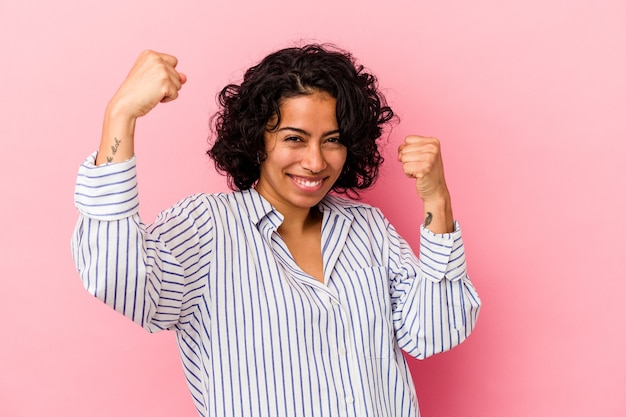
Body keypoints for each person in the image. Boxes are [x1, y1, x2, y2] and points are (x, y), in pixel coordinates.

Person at [72, 44, 481, 417]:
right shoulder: (206, 228)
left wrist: (437, 201)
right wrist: (120, 115)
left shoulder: (368, 229)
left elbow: (434, 332)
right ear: (256, 140)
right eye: (294, 138)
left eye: (332, 140)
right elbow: (115, 274)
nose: (316, 161)